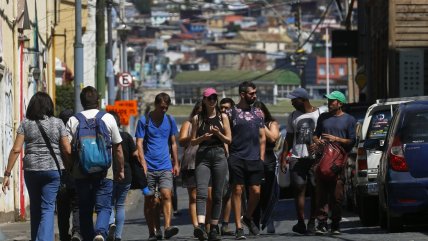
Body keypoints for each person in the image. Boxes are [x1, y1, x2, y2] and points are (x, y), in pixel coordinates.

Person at [2, 92, 72, 241]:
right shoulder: (58, 123)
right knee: (47, 208)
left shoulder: (26, 123)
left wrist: (7, 174)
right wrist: (69, 167)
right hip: (53, 170)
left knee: (35, 208)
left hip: (31, 171)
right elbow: (66, 148)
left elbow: (16, 149)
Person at [66, 86, 125, 241]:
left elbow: (66, 148)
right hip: (105, 169)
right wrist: (121, 170)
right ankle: (100, 233)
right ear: (97, 101)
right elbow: (118, 148)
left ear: (81, 102)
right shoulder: (108, 118)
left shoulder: (73, 120)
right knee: (104, 206)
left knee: (85, 208)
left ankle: (87, 236)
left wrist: (70, 166)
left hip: (81, 169)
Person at [135, 92, 180, 241]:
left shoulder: (170, 120)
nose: (164, 110)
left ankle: (167, 227)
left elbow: (173, 142)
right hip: (149, 167)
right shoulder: (144, 121)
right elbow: (139, 143)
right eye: (161, 107)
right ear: (156, 105)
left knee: (167, 195)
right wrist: (143, 163)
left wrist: (176, 162)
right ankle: (153, 231)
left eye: (166, 107)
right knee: (152, 200)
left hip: (165, 166)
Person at [312, 91, 356, 235]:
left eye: (332, 100)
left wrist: (335, 139)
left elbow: (352, 141)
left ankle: (335, 224)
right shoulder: (323, 118)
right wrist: (317, 141)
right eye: (329, 100)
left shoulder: (349, 120)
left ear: (340, 103)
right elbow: (315, 135)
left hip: (339, 162)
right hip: (322, 160)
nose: (329, 102)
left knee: (337, 196)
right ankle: (321, 223)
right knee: (321, 194)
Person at [279, 88, 322, 234]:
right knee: (298, 187)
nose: (291, 102)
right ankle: (300, 222)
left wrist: (319, 143)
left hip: (315, 159)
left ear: (303, 99)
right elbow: (289, 138)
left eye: (294, 100)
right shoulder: (292, 116)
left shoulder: (319, 114)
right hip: (297, 157)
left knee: (315, 189)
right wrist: (284, 157)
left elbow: (324, 134)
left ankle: (312, 221)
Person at [191, 88, 232, 241]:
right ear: (204, 100)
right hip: (203, 155)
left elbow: (229, 140)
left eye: (214, 98)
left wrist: (218, 134)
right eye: (209, 98)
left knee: (217, 194)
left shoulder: (223, 117)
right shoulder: (197, 118)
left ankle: (214, 227)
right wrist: (203, 138)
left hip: (219, 154)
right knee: (201, 191)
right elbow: (192, 141)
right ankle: (201, 226)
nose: (212, 100)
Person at [227, 81, 266, 239]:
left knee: (256, 192)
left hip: (255, 158)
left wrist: (261, 158)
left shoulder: (259, 113)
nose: (254, 96)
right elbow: (227, 138)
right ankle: (238, 227)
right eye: (251, 93)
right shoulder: (231, 113)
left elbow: (262, 137)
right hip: (236, 157)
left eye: (255, 93)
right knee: (237, 191)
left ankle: (247, 217)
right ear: (242, 94)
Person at [107, 111, 136, 241]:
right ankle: (118, 235)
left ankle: (110, 224)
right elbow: (135, 155)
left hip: (109, 174)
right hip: (126, 174)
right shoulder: (126, 136)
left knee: (109, 203)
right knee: (120, 205)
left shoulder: (104, 137)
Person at [252, 101, 280, 234]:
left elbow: (273, 138)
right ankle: (255, 221)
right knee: (254, 192)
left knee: (268, 192)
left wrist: (261, 123)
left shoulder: (271, 123)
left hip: (268, 159)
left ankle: (269, 218)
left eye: (259, 111)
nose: (257, 114)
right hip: (252, 159)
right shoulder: (249, 123)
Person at [57, 109, 82, 241]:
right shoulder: (77, 133)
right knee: (77, 205)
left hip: (60, 175)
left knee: (62, 209)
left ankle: (63, 235)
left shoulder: (55, 134)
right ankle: (77, 232)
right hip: (76, 174)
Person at [178, 101, 203, 229]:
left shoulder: (211, 124)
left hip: (207, 161)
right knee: (193, 196)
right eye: (198, 111)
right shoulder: (188, 124)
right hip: (191, 162)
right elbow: (181, 141)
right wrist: (195, 134)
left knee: (207, 195)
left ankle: (207, 224)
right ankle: (196, 226)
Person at [218, 98, 235, 236]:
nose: (223, 110)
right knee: (215, 193)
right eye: (221, 107)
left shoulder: (236, 123)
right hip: (218, 159)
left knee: (228, 194)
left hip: (233, 160)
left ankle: (225, 224)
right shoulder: (217, 122)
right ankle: (211, 224)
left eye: (227, 108)